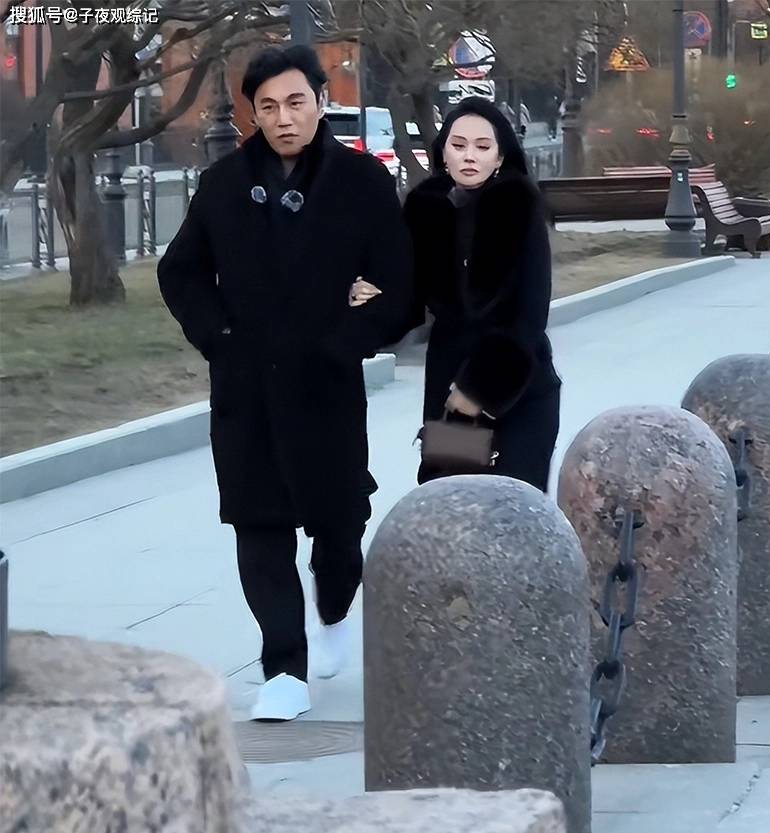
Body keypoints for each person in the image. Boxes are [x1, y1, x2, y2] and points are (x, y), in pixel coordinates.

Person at [158, 46, 413, 722]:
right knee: (258, 523)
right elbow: (179, 270)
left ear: (321, 101)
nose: (283, 117)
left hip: (326, 385)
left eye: (296, 102)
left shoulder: (361, 181)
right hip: (246, 388)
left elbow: (400, 283)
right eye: (267, 106)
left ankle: (334, 610)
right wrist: (219, 336)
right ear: (254, 113)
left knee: (339, 525)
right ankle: (283, 668)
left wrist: (350, 339)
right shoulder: (223, 184)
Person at [354, 97, 561, 492]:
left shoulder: (519, 207)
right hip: (450, 386)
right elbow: (407, 300)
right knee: (451, 504)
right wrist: (370, 297)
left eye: (483, 146)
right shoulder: (424, 209)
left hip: (518, 388)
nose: (469, 156)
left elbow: (529, 314)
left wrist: (479, 389)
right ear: (443, 152)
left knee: (513, 507)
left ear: (500, 157)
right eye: (459, 144)